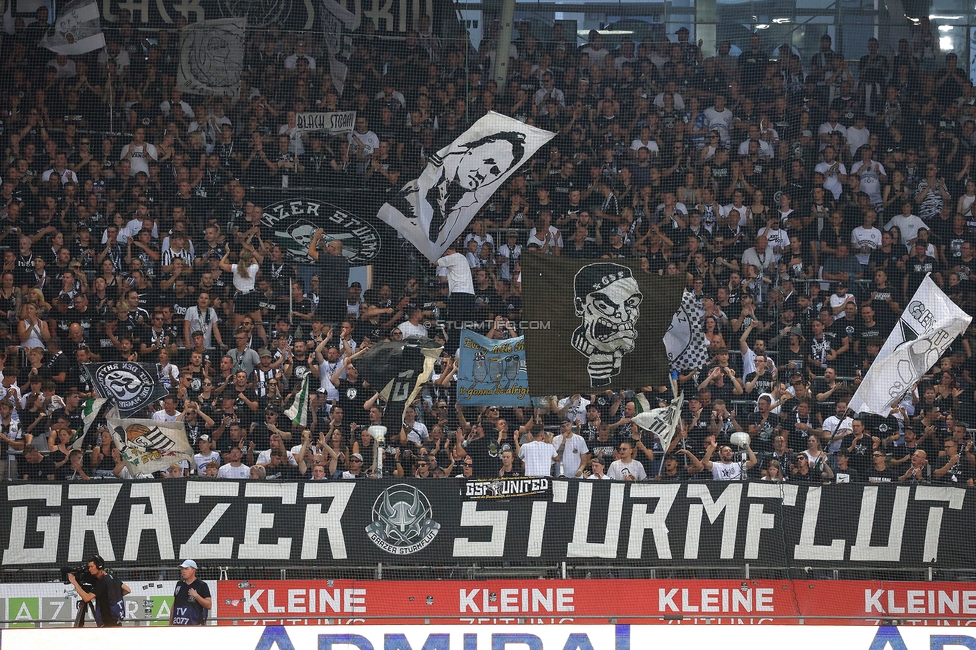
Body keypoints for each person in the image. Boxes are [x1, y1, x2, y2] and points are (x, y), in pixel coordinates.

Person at [380, 131, 528, 248]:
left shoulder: (469, 206)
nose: (484, 173)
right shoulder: (417, 179)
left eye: (495, 172)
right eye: (487, 161)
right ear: (469, 151)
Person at [67, 555, 131, 627]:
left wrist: (74, 582)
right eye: (89, 567)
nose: (89, 569)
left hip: (107, 623)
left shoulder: (102, 582)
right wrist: (111, 596)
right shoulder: (112, 576)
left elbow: (87, 598)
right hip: (116, 621)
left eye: (92, 567)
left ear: (99, 566)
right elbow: (128, 590)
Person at [170, 559, 212, 626]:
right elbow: (174, 605)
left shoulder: (201, 585)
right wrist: (170, 624)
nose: (183, 571)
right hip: (178, 626)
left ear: (194, 570)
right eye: (182, 569)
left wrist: (196, 596)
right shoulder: (179, 584)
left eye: (186, 569)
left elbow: (209, 605)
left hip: (194, 626)